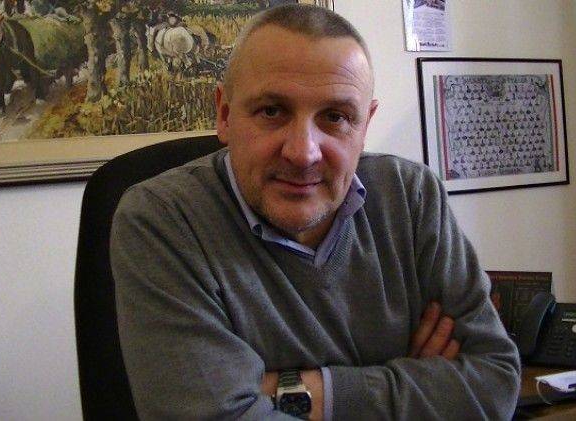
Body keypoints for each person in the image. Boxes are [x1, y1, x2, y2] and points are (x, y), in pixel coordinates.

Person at [110, 4, 520, 420]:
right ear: (225, 114)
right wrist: (417, 388)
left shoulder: (411, 196)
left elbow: (494, 386)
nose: (303, 153)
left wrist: (288, 391)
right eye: (272, 111)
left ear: (365, 125)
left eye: (336, 117)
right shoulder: (164, 218)